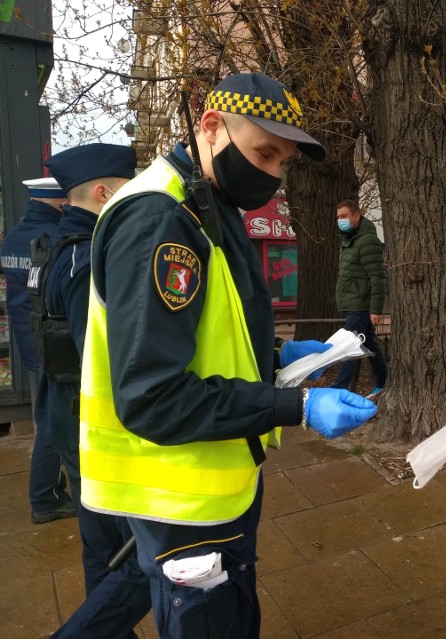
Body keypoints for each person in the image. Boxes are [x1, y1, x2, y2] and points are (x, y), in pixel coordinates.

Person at [77, 72, 377, 639]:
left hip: (212, 484)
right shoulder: (162, 220)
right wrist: (300, 407)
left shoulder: (205, 201)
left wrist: (279, 352)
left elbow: (206, 328)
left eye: (283, 163)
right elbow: (154, 397)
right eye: (265, 153)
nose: (272, 174)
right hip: (182, 497)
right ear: (211, 126)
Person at [32, 144, 152, 638]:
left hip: (66, 412)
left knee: (102, 548)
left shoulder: (60, 245)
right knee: (143, 557)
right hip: (91, 424)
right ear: (103, 194)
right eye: (125, 190)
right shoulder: (84, 256)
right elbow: (98, 358)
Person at [0, 177, 75, 524]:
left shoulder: (14, 237)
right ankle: (45, 498)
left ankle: (49, 491)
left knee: (46, 416)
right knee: (52, 424)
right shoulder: (53, 237)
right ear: (59, 203)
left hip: (29, 339)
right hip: (53, 344)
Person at [332, 199, 388, 399]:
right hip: (354, 302)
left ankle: (339, 389)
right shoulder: (350, 240)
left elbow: (377, 276)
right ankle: (382, 382)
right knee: (370, 345)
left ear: (356, 216)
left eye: (344, 216)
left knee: (349, 346)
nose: (341, 221)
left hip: (360, 304)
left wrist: (376, 309)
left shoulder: (366, 240)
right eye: (338, 217)